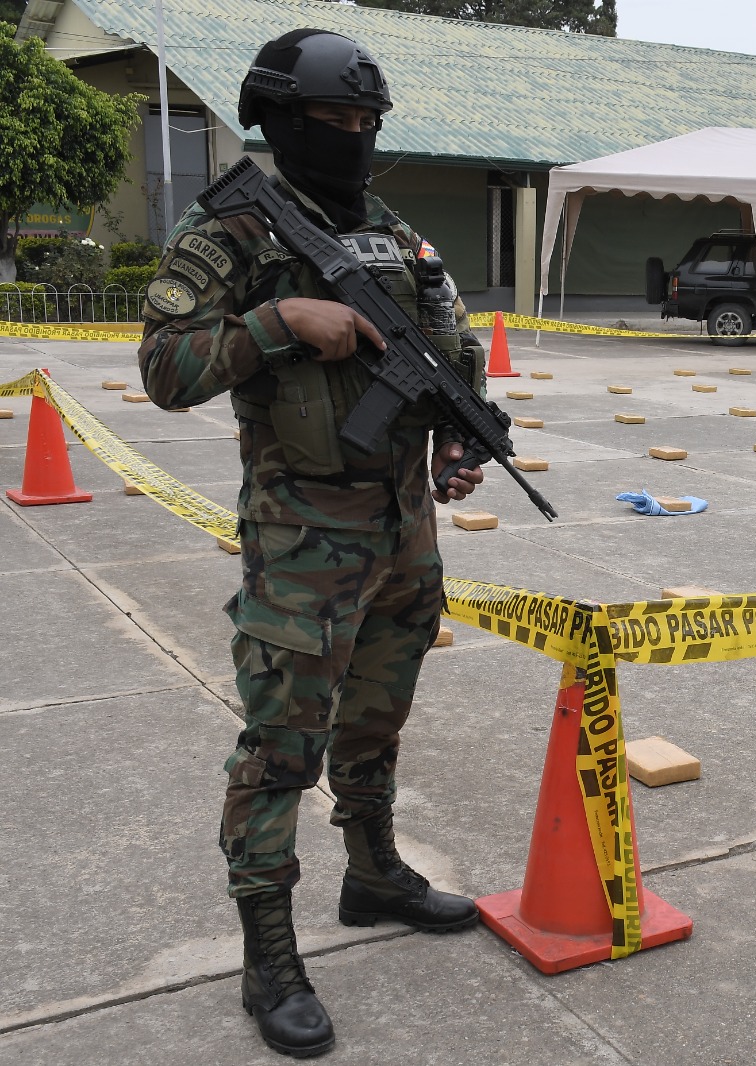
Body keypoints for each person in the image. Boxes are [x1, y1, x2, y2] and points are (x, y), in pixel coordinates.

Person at [139, 29, 485, 1059]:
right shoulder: (230, 231)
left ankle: (373, 874)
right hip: (301, 538)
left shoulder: (389, 229)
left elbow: (451, 335)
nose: (358, 137)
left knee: (375, 719)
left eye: (368, 122)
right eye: (339, 120)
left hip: (399, 530)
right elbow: (163, 366)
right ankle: (268, 957)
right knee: (282, 747)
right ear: (284, 120)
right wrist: (284, 319)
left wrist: (462, 427)